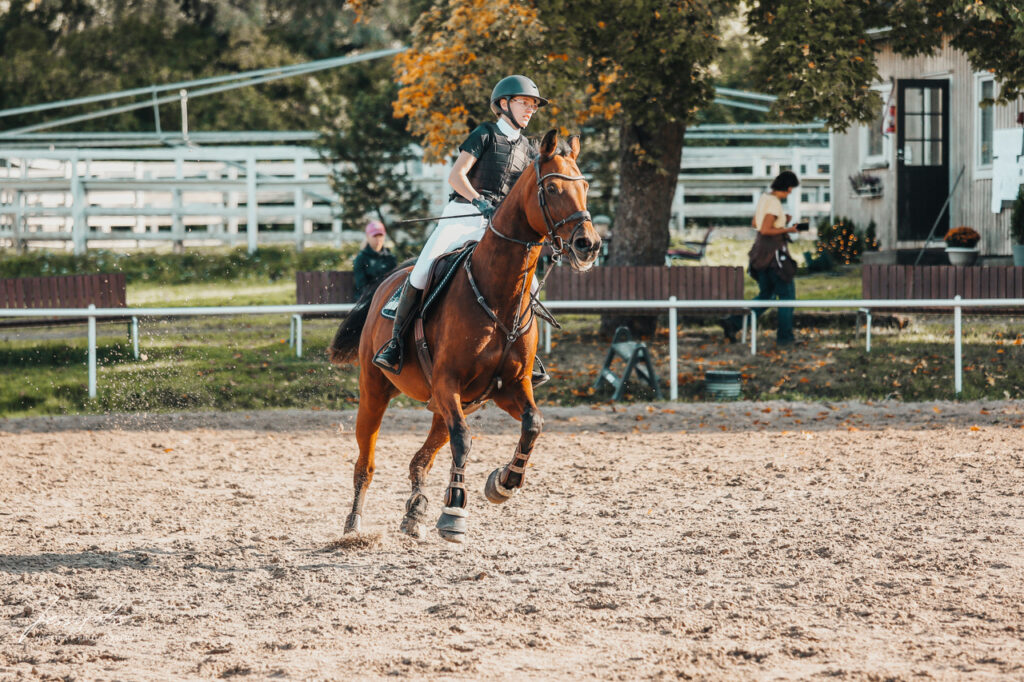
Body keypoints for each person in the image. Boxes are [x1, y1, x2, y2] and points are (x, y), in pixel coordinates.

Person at [372, 75, 547, 377]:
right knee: (424, 269)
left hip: (499, 227)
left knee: (529, 285)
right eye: (524, 103)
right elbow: (457, 176)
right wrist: (480, 201)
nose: (530, 109)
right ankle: (396, 343)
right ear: (504, 104)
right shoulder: (485, 134)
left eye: (533, 105)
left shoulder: (530, 150)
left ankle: (525, 356)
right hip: (465, 213)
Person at [720, 170, 802, 347]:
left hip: (760, 254)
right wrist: (788, 229)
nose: (790, 193)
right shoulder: (774, 204)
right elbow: (765, 230)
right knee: (788, 297)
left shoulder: (765, 199)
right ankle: (785, 338)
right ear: (788, 187)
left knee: (766, 295)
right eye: (790, 190)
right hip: (773, 255)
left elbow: (755, 223)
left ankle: (734, 323)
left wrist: (781, 221)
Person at [352, 220, 397, 300]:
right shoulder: (361, 259)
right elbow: (361, 286)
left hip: (387, 298)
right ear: (368, 237)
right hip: (366, 300)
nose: (378, 239)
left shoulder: (390, 258)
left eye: (380, 235)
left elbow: (395, 282)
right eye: (375, 236)